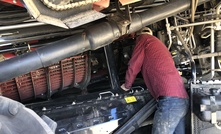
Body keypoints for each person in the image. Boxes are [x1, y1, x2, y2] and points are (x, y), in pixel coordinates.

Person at [121, 27, 189, 134]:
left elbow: (134, 64)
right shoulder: (158, 45)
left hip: (170, 101)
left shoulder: (143, 39)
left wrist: (127, 85)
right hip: (181, 100)